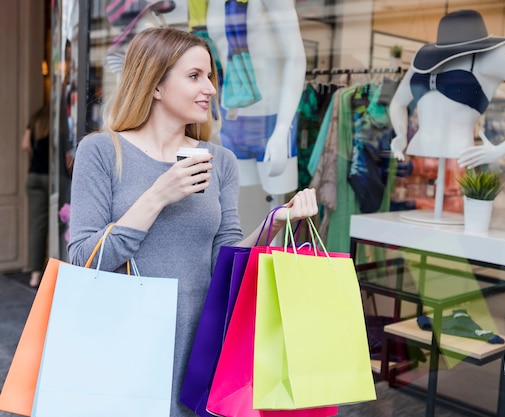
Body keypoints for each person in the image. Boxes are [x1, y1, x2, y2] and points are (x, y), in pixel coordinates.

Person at [67, 27, 318, 417]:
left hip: (200, 340)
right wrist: (158, 195)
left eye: (210, 77)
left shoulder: (220, 161)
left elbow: (226, 260)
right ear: (155, 85)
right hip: (125, 338)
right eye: (194, 76)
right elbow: (84, 259)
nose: (212, 89)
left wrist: (275, 221)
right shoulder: (102, 151)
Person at [389, 9, 505, 169]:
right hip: (419, 148)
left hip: (460, 154)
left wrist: (501, 149)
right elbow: (397, 103)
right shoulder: (425, 58)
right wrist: (401, 135)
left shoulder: (495, 55)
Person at [206, 0, 307, 195]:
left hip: (271, 121)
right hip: (229, 121)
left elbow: (295, 58)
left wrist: (282, 128)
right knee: (239, 203)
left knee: (278, 205)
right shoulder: (211, 3)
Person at [21, 104, 50, 288]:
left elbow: (25, 145)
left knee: (37, 226)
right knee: (61, 223)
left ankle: (35, 274)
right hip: (53, 178)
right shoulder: (59, 123)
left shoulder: (35, 120)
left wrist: (35, 157)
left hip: (34, 176)